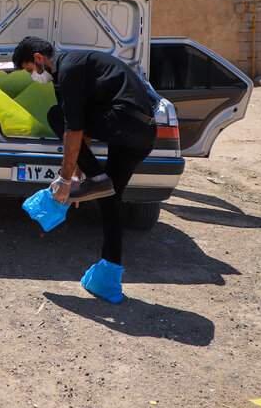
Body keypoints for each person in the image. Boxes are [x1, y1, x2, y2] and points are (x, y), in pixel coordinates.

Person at [12, 36, 157, 304]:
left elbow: (75, 128)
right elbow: (85, 131)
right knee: (109, 197)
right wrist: (78, 177)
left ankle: (99, 178)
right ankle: (109, 279)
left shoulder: (69, 67)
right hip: (142, 134)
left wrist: (65, 179)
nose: (34, 76)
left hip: (123, 123)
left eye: (31, 70)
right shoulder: (77, 68)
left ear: (39, 58)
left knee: (57, 116)